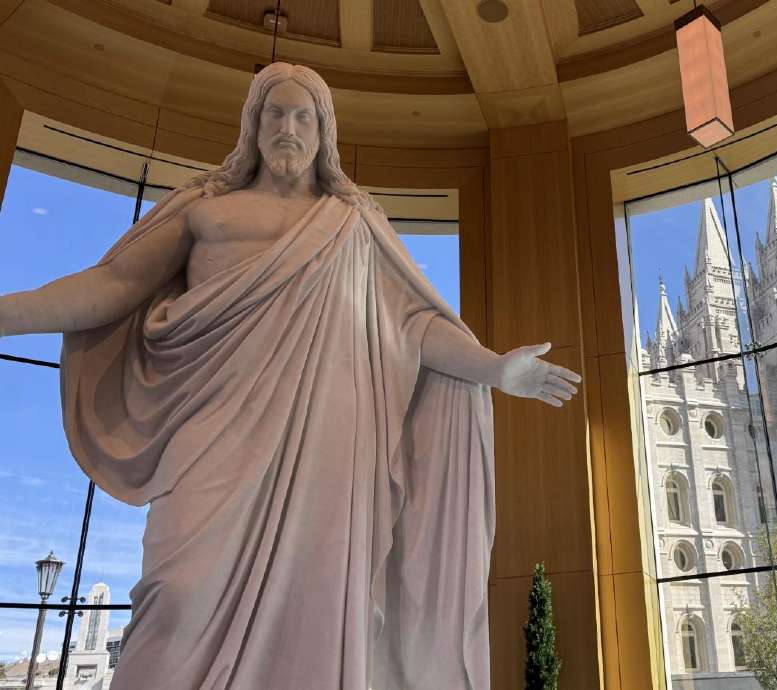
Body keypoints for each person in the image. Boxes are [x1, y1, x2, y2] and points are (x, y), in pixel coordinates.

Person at [0, 63, 581, 690]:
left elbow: (413, 326)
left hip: (326, 454)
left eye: (304, 116)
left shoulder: (353, 224)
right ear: (252, 126)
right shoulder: (205, 209)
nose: (288, 127)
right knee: (178, 593)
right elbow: (111, 285)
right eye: (274, 113)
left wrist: (496, 369)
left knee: (318, 603)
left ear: (323, 133)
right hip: (214, 431)